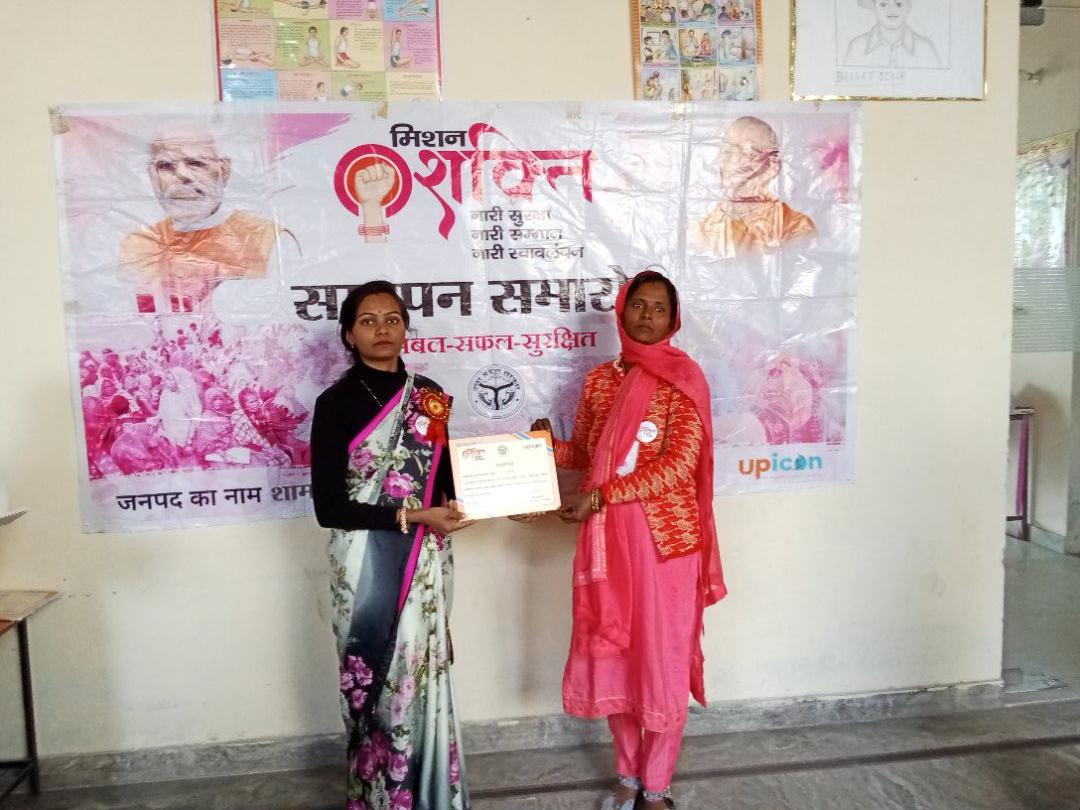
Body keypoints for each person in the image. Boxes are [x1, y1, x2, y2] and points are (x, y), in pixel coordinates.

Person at [521, 270, 726, 810]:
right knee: (618, 656)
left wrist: (602, 496)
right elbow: (588, 454)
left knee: (660, 661)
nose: (646, 316)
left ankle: (657, 785)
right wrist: (547, 447)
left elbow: (678, 465)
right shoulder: (600, 382)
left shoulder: (684, 380)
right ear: (621, 310)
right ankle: (628, 775)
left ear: (673, 319)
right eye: (638, 305)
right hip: (608, 543)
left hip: (665, 547)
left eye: (659, 308)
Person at [310, 280, 473, 810]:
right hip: (364, 569)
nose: (382, 330)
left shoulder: (428, 396)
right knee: (377, 684)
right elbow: (329, 508)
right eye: (368, 321)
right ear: (349, 335)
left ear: (406, 328)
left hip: (423, 562)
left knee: (420, 679)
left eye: (392, 319)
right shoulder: (335, 404)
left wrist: (496, 495)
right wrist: (414, 515)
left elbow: (444, 481)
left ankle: (429, 797)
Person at [119, 130, 299, 315]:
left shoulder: (269, 240)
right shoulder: (139, 245)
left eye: (196, 163)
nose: (182, 175)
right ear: (152, 176)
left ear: (224, 171)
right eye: (165, 166)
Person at [689, 116, 816, 258]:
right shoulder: (701, 232)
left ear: (773, 166)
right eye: (727, 151)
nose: (732, 161)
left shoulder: (796, 227)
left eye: (748, 152)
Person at [844, 0, 940, 68]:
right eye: (883, 4)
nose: (891, 10)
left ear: (908, 6)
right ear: (874, 7)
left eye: (898, 4)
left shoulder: (925, 47)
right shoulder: (857, 46)